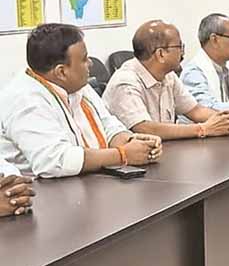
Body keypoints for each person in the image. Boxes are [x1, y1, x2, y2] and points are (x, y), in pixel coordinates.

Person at [0, 23, 161, 178]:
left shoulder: (76, 85)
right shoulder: (24, 100)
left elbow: (107, 125)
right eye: (84, 59)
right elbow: (55, 162)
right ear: (61, 72)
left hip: (91, 180)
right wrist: (123, 154)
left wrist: (132, 142)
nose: (90, 63)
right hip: (43, 192)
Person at [104, 20, 229, 141]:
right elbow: (145, 128)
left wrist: (227, 120)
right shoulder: (126, 82)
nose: (183, 53)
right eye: (180, 47)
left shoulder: (168, 76)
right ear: (161, 54)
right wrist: (203, 129)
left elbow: (195, 110)